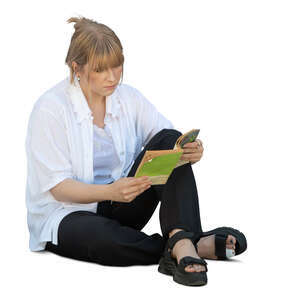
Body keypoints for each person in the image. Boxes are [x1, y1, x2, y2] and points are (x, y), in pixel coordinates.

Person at [25, 16, 247, 287]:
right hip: (66, 213)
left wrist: (189, 151)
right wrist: (110, 191)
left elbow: (167, 142)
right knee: (103, 241)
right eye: (101, 69)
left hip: (121, 200)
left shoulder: (128, 99)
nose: (113, 76)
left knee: (170, 140)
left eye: (117, 65)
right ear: (77, 68)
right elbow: (58, 188)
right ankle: (188, 245)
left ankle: (181, 238)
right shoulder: (50, 110)